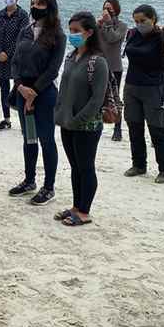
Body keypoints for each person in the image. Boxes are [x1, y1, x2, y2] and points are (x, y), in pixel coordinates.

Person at [8, 0, 66, 205]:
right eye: (33, 3)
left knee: (46, 139)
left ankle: (49, 187)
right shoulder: (26, 30)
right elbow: (15, 61)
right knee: (29, 138)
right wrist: (20, 86)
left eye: (40, 3)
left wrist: (35, 91)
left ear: (49, 7)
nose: (35, 7)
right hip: (23, 91)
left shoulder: (58, 35)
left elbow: (53, 69)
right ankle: (29, 180)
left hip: (44, 94)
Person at [53, 12, 108, 226]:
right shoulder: (70, 56)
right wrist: (60, 114)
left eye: (77, 31)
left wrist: (78, 120)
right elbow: (64, 88)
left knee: (86, 167)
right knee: (75, 166)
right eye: (71, 30)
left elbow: (97, 99)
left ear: (90, 32)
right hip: (67, 122)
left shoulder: (98, 62)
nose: (73, 35)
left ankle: (85, 211)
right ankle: (76, 206)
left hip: (87, 124)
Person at [123, 4, 164, 183]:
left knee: (157, 129)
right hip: (132, 85)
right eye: (136, 21)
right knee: (134, 127)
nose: (139, 24)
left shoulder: (160, 36)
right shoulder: (133, 34)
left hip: (153, 87)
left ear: (153, 19)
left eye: (143, 21)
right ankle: (139, 164)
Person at [0, 0, 30, 131]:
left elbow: (22, 37)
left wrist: (8, 53)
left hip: (17, 58)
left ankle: (23, 121)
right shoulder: (0, 14)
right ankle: (6, 119)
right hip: (0, 58)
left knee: (20, 88)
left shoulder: (23, 15)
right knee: (3, 89)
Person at [97, 0, 127, 141]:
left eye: (110, 8)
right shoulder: (100, 25)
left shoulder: (122, 26)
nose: (107, 11)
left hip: (114, 66)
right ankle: (97, 123)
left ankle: (117, 128)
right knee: (96, 95)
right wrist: (96, 26)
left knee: (115, 97)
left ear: (116, 10)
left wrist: (108, 23)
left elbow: (112, 38)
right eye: (105, 8)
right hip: (99, 65)